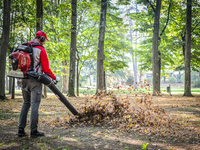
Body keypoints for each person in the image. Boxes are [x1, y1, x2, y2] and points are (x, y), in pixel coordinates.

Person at [18, 31, 60, 138]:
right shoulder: (41, 50)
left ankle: (20, 130)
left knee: (25, 103)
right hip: (35, 81)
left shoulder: (24, 46)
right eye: (44, 40)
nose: (45, 42)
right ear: (41, 39)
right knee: (35, 105)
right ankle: (34, 131)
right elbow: (46, 69)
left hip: (23, 79)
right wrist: (54, 77)